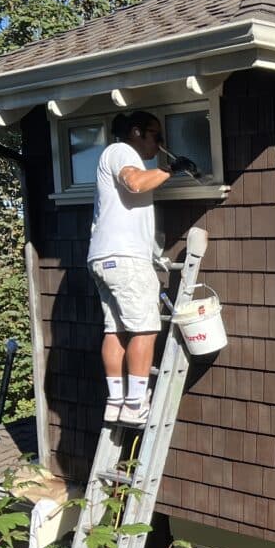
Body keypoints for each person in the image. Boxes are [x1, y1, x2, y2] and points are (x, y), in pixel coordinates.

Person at [87, 110, 196, 428]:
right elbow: (135, 183)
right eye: (157, 136)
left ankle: (116, 401)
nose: (160, 143)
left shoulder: (116, 156)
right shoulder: (122, 151)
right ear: (137, 133)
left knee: (116, 330)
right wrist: (172, 169)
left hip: (104, 258)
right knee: (145, 329)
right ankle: (135, 404)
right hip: (125, 259)